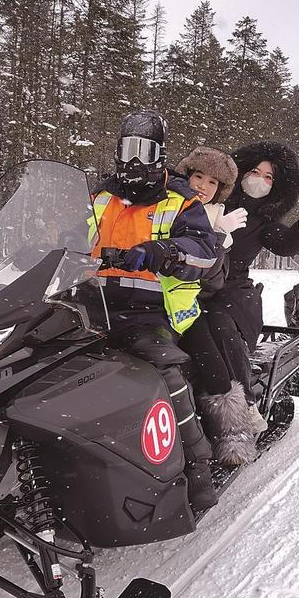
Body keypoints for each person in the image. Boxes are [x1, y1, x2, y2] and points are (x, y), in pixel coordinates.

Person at [89, 110, 220, 511]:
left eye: (143, 151)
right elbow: (64, 236)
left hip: (149, 312)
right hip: (89, 304)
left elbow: (206, 253)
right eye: (127, 149)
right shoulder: (100, 197)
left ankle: (197, 465)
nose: (133, 161)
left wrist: (162, 253)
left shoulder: (181, 201)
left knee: (162, 369)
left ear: (160, 155)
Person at [206, 142, 299, 392]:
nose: (259, 180)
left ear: (277, 185)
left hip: (230, 292)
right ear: (240, 172)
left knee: (220, 331)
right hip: (186, 281)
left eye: (268, 177)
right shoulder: (213, 200)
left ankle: (242, 400)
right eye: (254, 172)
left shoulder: (265, 221)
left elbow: (285, 245)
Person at [173, 146, 263, 470]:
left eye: (213, 182)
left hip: (182, 304)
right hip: (137, 299)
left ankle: (233, 432)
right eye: (198, 176)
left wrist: (218, 235)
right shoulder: (164, 204)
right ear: (186, 175)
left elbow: (212, 281)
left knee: (210, 356)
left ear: (221, 190)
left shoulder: (217, 218)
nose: (203, 186)